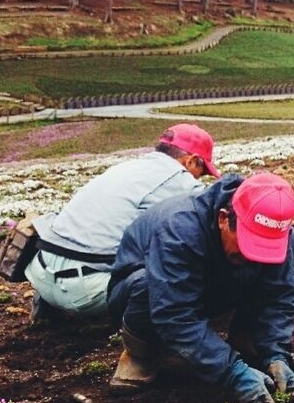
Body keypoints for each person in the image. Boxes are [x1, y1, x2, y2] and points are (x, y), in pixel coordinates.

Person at [107, 169, 294, 403]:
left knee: (291, 246)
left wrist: (276, 353)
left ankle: (250, 337)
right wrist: (231, 372)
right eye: (247, 244)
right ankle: (141, 353)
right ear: (223, 219)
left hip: (207, 286)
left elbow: (279, 295)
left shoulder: (276, 235)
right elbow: (174, 312)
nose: (252, 257)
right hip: (146, 297)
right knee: (148, 286)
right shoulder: (178, 229)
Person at [28, 126, 216, 320]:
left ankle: (48, 309)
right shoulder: (180, 180)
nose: (198, 179)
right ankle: (147, 336)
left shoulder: (127, 167)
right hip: (84, 292)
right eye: (201, 172)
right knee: (180, 266)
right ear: (192, 160)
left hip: (39, 274)